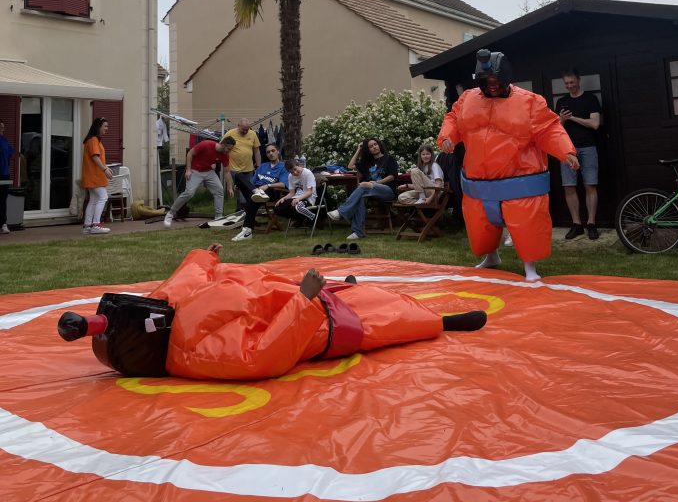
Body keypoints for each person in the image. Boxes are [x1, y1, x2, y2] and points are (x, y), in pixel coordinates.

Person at [57, 245, 488, 381]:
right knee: (389, 320)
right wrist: (303, 300)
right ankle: (443, 322)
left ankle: (345, 288)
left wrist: (205, 256)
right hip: (320, 323)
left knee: (358, 294)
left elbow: (185, 276)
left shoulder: (162, 308)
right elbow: (265, 355)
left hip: (281, 292)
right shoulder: (198, 355)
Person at [438, 48, 578, 281]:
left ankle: (530, 267)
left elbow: (549, 128)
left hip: (518, 179)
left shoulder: (529, 102)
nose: (492, 85)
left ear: (506, 78)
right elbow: (452, 118)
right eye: (487, 81)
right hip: (478, 181)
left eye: (495, 80)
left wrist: (566, 152)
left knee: (526, 226)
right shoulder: (467, 100)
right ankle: (491, 257)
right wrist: (447, 137)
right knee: (481, 227)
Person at [555, 69, 602, 241]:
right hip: (567, 149)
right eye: (566, 83)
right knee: (569, 186)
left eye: (572, 82)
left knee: (590, 185)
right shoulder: (562, 101)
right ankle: (577, 224)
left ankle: (591, 223)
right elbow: (555, 129)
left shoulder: (590, 99)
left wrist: (572, 118)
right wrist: (562, 119)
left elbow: (595, 124)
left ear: (578, 80)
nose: (569, 86)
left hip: (588, 147)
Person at [327, 137, 398, 240]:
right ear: (368, 150)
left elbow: (392, 176)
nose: (374, 147)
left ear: (379, 145)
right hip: (369, 190)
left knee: (363, 186)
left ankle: (341, 212)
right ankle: (358, 232)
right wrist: (359, 149)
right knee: (361, 196)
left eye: (375, 144)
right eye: (371, 146)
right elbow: (350, 166)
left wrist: (376, 183)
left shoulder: (389, 159)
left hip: (387, 190)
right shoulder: (367, 162)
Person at [232, 156, 315, 240]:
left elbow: (284, 184)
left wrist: (268, 185)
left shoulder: (283, 167)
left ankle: (247, 230)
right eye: (268, 152)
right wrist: (284, 198)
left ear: (277, 151)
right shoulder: (263, 166)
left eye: (273, 151)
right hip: (256, 189)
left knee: (254, 199)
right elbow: (292, 193)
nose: (295, 172)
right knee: (238, 176)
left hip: (269, 191)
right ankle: (256, 192)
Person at [163, 136, 236, 227]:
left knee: (219, 190)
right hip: (195, 171)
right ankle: (170, 213)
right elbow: (190, 154)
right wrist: (188, 170)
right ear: (223, 144)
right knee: (189, 193)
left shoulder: (225, 155)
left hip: (208, 172)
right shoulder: (206, 144)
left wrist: (230, 187)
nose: (229, 151)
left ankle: (218, 217)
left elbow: (227, 172)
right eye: (228, 149)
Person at [81, 118, 114, 235]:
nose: (107, 129)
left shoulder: (92, 140)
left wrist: (106, 167)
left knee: (93, 200)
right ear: (98, 127)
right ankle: (96, 224)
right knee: (103, 197)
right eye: (105, 126)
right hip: (94, 177)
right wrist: (104, 169)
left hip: (91, 176)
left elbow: (97, 158)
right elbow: (95, 157)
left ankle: (87, 226)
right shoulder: (93, 140)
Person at [222, 119, 260, 209]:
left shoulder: (253, 134)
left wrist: (258, 165)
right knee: (242, 191)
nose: (245, 131)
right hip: (234, 168)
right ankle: (244, 211)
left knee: (248, 190)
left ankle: (240, 211)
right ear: (238, 126)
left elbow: (257, 151)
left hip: (249, 169)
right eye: (243, 129)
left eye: (247, 129)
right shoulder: (230, 133)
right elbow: (222, 147)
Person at [0, 120, 14, 235]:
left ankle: (3, 224)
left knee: (3, 199)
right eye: (0, 127)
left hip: (4, 174)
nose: (2, 129)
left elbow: (10, 153)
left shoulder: (5, 141)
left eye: (3, 127)